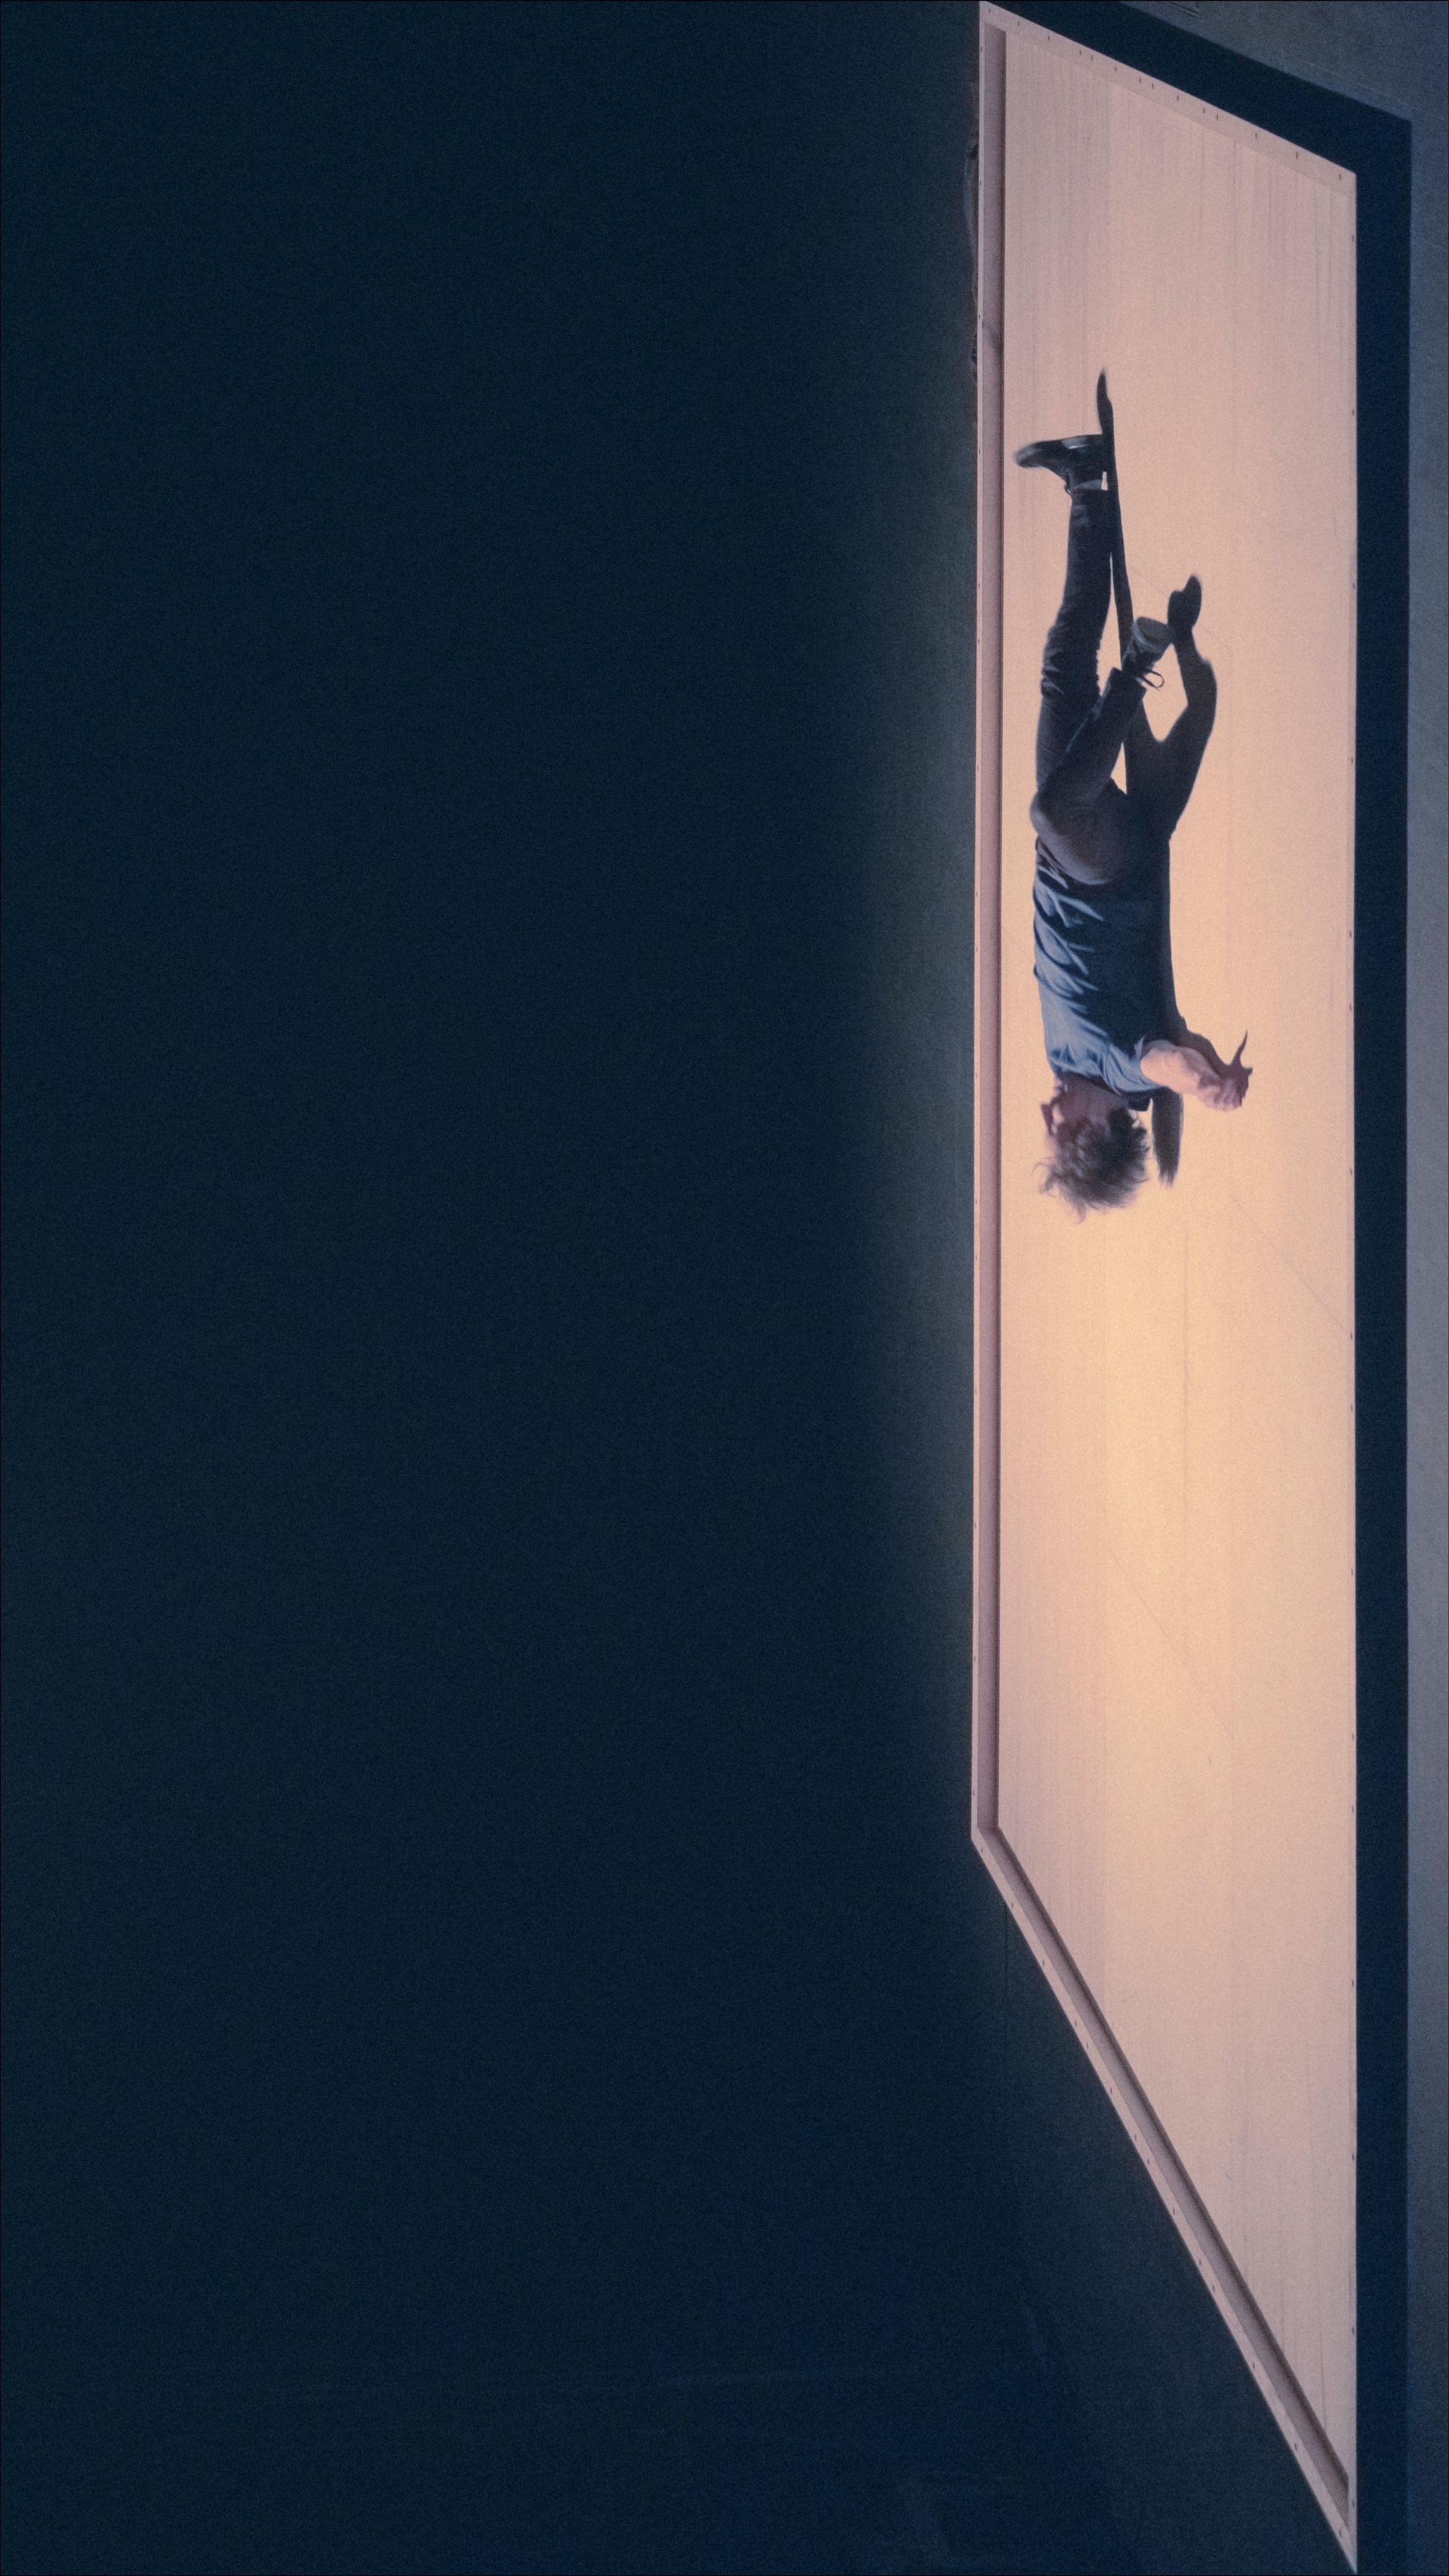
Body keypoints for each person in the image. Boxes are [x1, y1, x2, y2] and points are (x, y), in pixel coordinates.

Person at [1017, 429, 1251, 1216]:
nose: (1047, 1113)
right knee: (1051, 808)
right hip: (1106, 866)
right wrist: (1204, 1081)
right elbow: (1167, 1061)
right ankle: (1139, 669)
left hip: (1068, 861)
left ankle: (1086, 484)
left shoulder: (1066, 1061)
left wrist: (1199, 1063)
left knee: (1061, 669)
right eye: (1059, 1129)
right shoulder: (1122, 1070)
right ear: (1099, 1127)